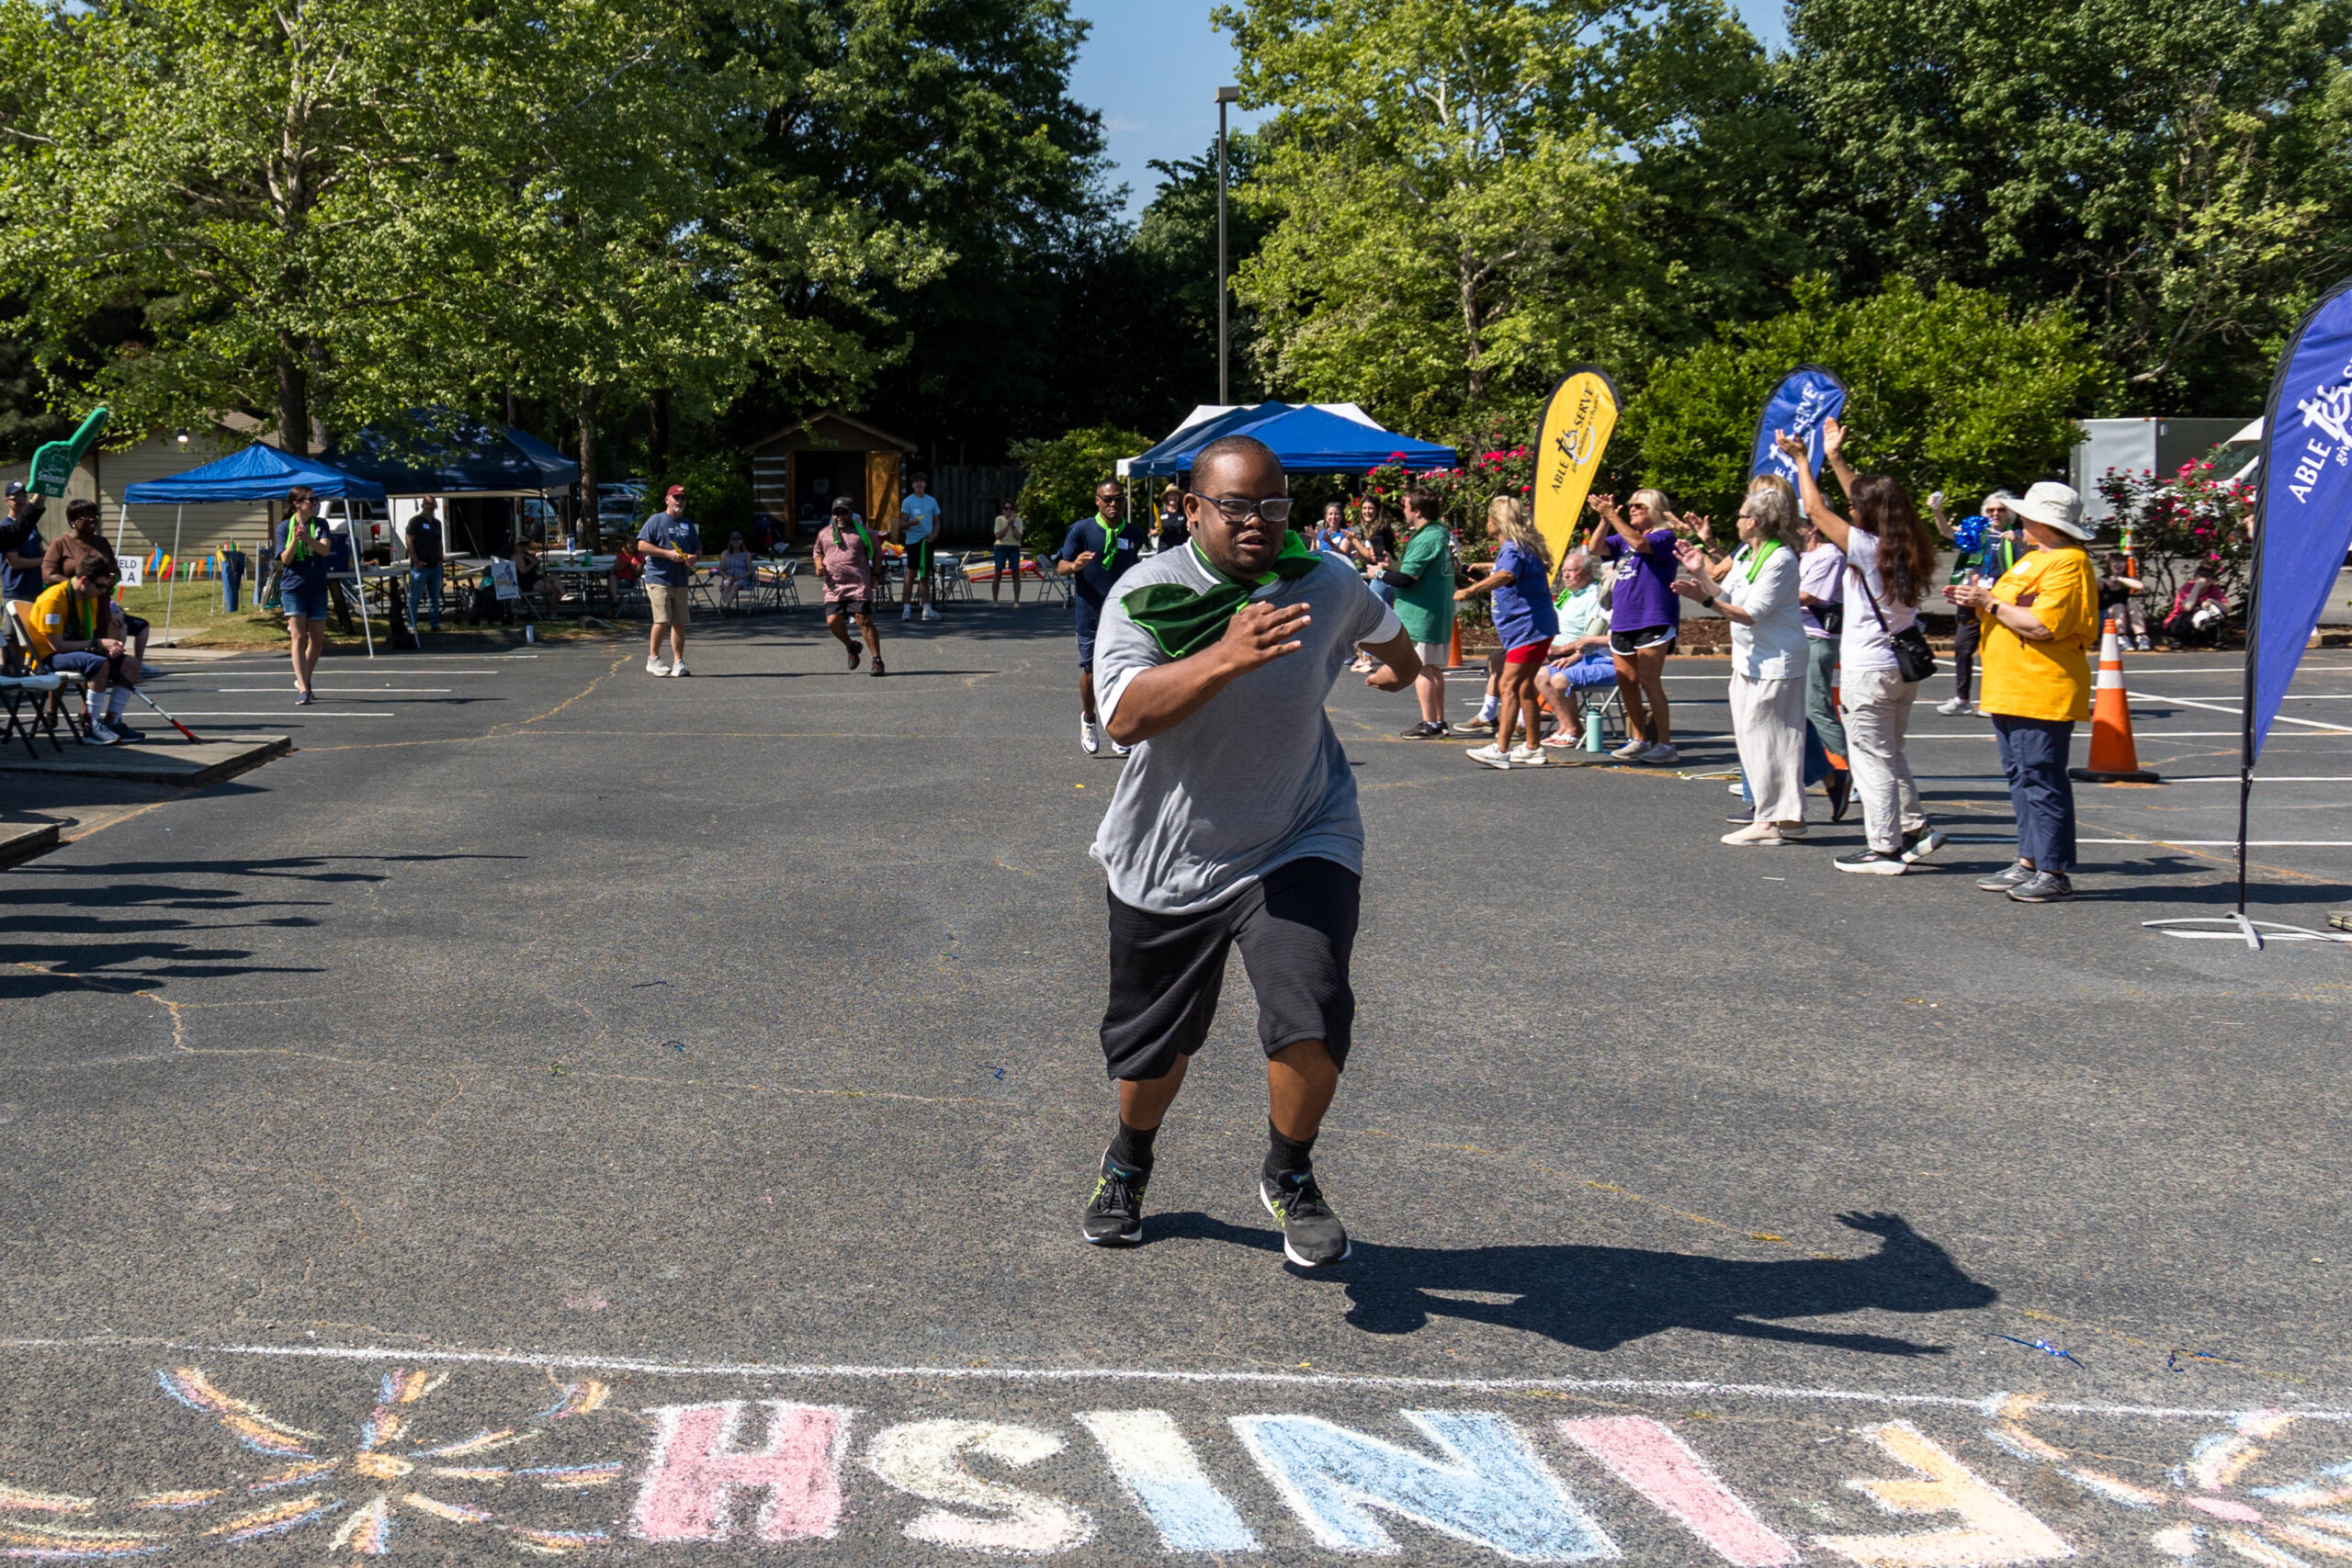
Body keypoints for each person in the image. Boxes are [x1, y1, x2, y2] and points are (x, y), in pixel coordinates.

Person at [1079, 433, 1421, 1266]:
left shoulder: (1324, 581)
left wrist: (1399, 670)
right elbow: (1123, 716)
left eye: (1273, 505)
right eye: (1234, 506)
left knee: (1312, 1006)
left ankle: (1290, 1171)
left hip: (1301, 831)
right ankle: (1128, 1160)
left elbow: (1391, 636)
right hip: (1171, 852)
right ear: (1192, 508)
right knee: (1153, 1048)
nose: (1257, 522)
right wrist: (1226, 655)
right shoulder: (1149, 593)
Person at [1781, 420, 1944, 874]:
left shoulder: (1868, 549)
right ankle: (1915, 828)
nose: (1849, 509)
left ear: (1867, 513)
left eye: (1855, 507)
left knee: (1871, 760)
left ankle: (1884, 848)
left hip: (1868, 671)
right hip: (1900, 667)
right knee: (1889, 753)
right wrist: (1835, 458)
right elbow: (1865, 500)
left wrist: (1803, 461)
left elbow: (1815, 511)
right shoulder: (1908, 544)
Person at [1945, 482, 2098, 904]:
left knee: (2042, 777)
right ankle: (2030, 860)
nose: (2019, 520)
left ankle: (2053, 870)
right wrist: (1974, 599)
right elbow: (2007, 606)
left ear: (2044, 522)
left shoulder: (2069, 562)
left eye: (2026, 515)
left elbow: (2043, 626)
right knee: (2022, 776)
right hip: (2011, 684)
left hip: (2041, 685)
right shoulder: (2034, 558)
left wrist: (1989, 602)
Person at [1675, 478, 1809, 844]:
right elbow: (1727, 594)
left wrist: (1705, 601)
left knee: (1770, 741)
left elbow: (1751, 614)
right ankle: (1785, 817)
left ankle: (1768, 822)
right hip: (1750, 660)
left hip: (1776, 662)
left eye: (1740, 515)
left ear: (1754, 521)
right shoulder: (1750, 554)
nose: (1735, 521)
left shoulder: (1780, 558)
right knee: (1756, 740)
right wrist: (1699, 572)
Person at [1454, 497, 1557, 768]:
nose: (1487, 523)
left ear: (1499, 522)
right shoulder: (1521, 546)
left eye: (1490, 518)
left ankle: (1501, 749)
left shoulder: (1512, 548)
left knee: (1508, 685)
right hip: (1536, 627)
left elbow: (1506, 575)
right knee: (1524, 687)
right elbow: (1507, 569)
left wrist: (1471, 589)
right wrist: (1486, 567)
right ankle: (1533, 747)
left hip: (1527, 629)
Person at [1587, 489, 1681, 763]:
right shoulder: (1623, 538)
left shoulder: (1664, 536)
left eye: (1640, 506)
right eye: (1631, 506)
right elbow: (1595, 548)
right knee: (1626, 681)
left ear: (1655, 510)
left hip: (1653, 617)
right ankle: (1639, 739)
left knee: (1649, 681)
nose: (1633, 509)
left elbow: (1641, 544)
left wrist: (1612, 517)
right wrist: (1605, 518)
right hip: (1623, 619)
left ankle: (1665, 743)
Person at [1057, 479, 1150, 756]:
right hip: (1090, 613)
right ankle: (1089, 719)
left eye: (1118, 499)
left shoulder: (1134, 534)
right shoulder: (1082, 530)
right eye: (1107, 499)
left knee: (1126, 671)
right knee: (1091, 670)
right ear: (1097, 501)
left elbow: (1134, 568)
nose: (1113, 504)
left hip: (1123, 614)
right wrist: (1074, 566)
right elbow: (1061, 566)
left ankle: (1121, 729)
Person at [27, 563, 142, 744]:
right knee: (97, 663)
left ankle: (113, 721)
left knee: (131, 664)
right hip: (47, 657)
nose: (103, 591)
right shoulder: (53, 600)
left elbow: (87, 637)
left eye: (106, 587)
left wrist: (106, 647)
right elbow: (58, 646)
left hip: (74, 651)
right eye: (100, 586)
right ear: (84, 580)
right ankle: (91, 725)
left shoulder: (88, 598)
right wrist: (98, 644)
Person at [1931, 491, 2023, 715]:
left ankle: (1994, 701)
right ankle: (1962, 699)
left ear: (2009, 513)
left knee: (1996, 651)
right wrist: (1936, 510)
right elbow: (1946, 531)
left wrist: (2020, 541)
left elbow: (2036, 556)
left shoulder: (2018, 536)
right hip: (1972, 599)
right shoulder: (1977, 534)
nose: (1995, 514)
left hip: (1999, 601)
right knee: (1962, 648)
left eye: (2001, 510)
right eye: (1991, 510)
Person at [1381, 487, 1455, 739]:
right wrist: (1392, 565)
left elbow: (1407, 580)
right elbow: (1414, 570)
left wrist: (1379, 574)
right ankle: (1439, 721)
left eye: (1406, 506)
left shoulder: (1425, 539)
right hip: (1438, 613)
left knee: (1421, 669)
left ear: (1417, 510)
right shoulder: (1440, 533)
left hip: (1422, 615)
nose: (1404, 510)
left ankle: (1430, 723)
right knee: (1433, 669)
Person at [1797, 519, 1854, 822]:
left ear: (1813, 527)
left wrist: (1766, 599)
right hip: (1797, 637)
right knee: (1799, 715)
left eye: (1797, 522)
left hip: (1818, 638)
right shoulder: (1801, 555)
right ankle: (1830, 777)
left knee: (1817, 709)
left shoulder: (1830, 555)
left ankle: (1856, 771)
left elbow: (1808, 596)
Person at [1535, 549, 1615, 746]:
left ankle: (1571, 729)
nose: (1566, 575)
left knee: (1558, 678)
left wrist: (1571, 653)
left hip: (1611, 662)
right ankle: (1567, 725)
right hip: (1586, 656)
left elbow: (1600, 638)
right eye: (1564, 571)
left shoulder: (1602, 600)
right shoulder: (1574, 596)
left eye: (1571, 571)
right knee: (1541, 675)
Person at [812, 496, 885, 676]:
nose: (840, 517)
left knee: (863, 619)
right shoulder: (824, 533)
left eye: (843, 513)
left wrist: (875, 575)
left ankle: (877, 660)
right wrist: (818, 566)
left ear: (851, 513)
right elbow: (818, 552)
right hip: (834, 585)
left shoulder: (864, 532)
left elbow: (877, 553)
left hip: (859, 583)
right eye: (836, 513)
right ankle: (851, 646)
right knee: (832, 621)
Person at [274, 486, 333, 705]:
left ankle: (304, 680)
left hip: (317, 586)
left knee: (317, 640)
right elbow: (285, 559)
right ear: (297, 504)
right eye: (311, 500)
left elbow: (324, 550)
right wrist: (296, 540)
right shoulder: (284, 528)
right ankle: (304, 688)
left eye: (316, 500)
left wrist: (307, 538)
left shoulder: (321, 525)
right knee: (298, 637)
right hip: (294, 587)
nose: (315, 503)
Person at [639, 484, 699, 676]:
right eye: (676, 497)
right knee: (662, 620)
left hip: (680, 579)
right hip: (659, 578)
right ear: (667, 499)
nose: (680, 501)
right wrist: (667, 554)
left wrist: (694, 557)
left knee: (679, 622)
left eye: (683, 498)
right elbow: (641, 545)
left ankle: (678, 663)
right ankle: (653, 659)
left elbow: (697, 548)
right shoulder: (656, 520)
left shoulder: (688, 524)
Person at [898, 473, 941, 623]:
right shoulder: (908, 501)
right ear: (912, 485)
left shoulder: (932, 501)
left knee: (925, 574)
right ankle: (906, 609)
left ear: (925, 484)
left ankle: (927, 609)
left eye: (921, 481)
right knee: (910, 573)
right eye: (916, 482)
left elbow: (936, 521)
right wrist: (911, 523)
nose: (919, 484)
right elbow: (901, 524)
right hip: (913, 541)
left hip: (927, 540)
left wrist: (934, 535)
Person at [404, 498, 446, 633]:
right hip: (420, 568)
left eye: (431, 504)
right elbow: (409, 542)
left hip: (435, 566)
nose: (429, 507)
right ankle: (412, 626)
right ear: (422, 505)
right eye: (426, 504)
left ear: (435, 506)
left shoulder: (437, 523)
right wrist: (416, 561)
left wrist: (440, 558)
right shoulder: (415, 521)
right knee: (415, 598)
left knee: (434, 598)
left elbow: (439, 542)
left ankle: (435, 625)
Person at [2164, 564, 2227, 649]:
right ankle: (2178, 640)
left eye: (2208, 576)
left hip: (2200, 624)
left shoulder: (2214, 589)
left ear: (2212, 580)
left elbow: (2228, 608)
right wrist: (2197, 587)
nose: (2205, 579)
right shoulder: (2188, 587)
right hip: (2178, 624)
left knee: (2218, 614)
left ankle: (2215, 640)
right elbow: (2187, 607)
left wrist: (2212, 601)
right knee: (2191, 614)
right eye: (2202, 576)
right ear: (2195, 578)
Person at [2, 481, 44, 609]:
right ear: (6, 501)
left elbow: (18, 533)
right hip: (17, 590)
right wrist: (45, 561)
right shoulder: (5, 526)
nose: (21, 501)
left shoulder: (30, 526)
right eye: (16, 498)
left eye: (23, 497)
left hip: (36, 587)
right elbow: (15, 562)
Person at [2098, 554, 2150, 649]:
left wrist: (2120, 578)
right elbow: (2089, 584)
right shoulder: (2101, 581)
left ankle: (2141, 637)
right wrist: (2104, 580)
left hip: (2123, 621)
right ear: (2109, 564)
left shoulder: (2125, 580)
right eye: (2115, 561)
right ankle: (2120, 638)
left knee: (2133, 604)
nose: (2118, 564)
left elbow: (2140, 586)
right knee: (2119, 606)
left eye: (2121, 561)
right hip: (2105, 622)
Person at [989, 499, 1025, 604]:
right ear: (1003, 510)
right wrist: (1007, 524)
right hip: (1001, 547)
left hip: (1014, 547)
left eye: (1011, 508)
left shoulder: (1018, 520)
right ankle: (995, 600)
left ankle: (1016, 601)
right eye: (1006, 508)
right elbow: (998, 536)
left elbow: (1018, 537)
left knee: (1016, 574)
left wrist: (1013, 525)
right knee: (998, 573)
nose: (1008, 511)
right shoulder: (999, 519)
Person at [717, 532, 755, 614]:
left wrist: (741, 576)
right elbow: (721, 569)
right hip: (729, 578)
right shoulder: (725, 554)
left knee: (736, 584)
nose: (736, 541)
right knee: (726, 585)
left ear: (741, 541)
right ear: (730, 541)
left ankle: (725, 604)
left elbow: (750, 570)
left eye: (738, 539)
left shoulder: (746, 554)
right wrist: (726, 576)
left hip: (742, 579)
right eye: (734, 539)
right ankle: (726, 607)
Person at [609, 536, 646, 605]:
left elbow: (637, 574)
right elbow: (614, 568)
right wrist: (623, 566)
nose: (631, 545)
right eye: (629, 543)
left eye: (634, 543)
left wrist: (630, 566)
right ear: (626, 545)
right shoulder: (621, 555)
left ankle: (612, 607)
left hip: (630, 581)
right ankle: (615, 601)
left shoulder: (640, 557)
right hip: (619, 579)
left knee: (610, 587)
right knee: (611, 578)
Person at [1156, 483, 1188, 553]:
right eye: (1170, 495)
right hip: (1163, 550)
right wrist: (1157, 530)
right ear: (1166, 497)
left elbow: (1189, 530)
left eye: (1175, 494)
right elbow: (1152, 532)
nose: (1173, 497)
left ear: (1179, 497)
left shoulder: (1184, 512)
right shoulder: (1159, 512)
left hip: (1180, 550)